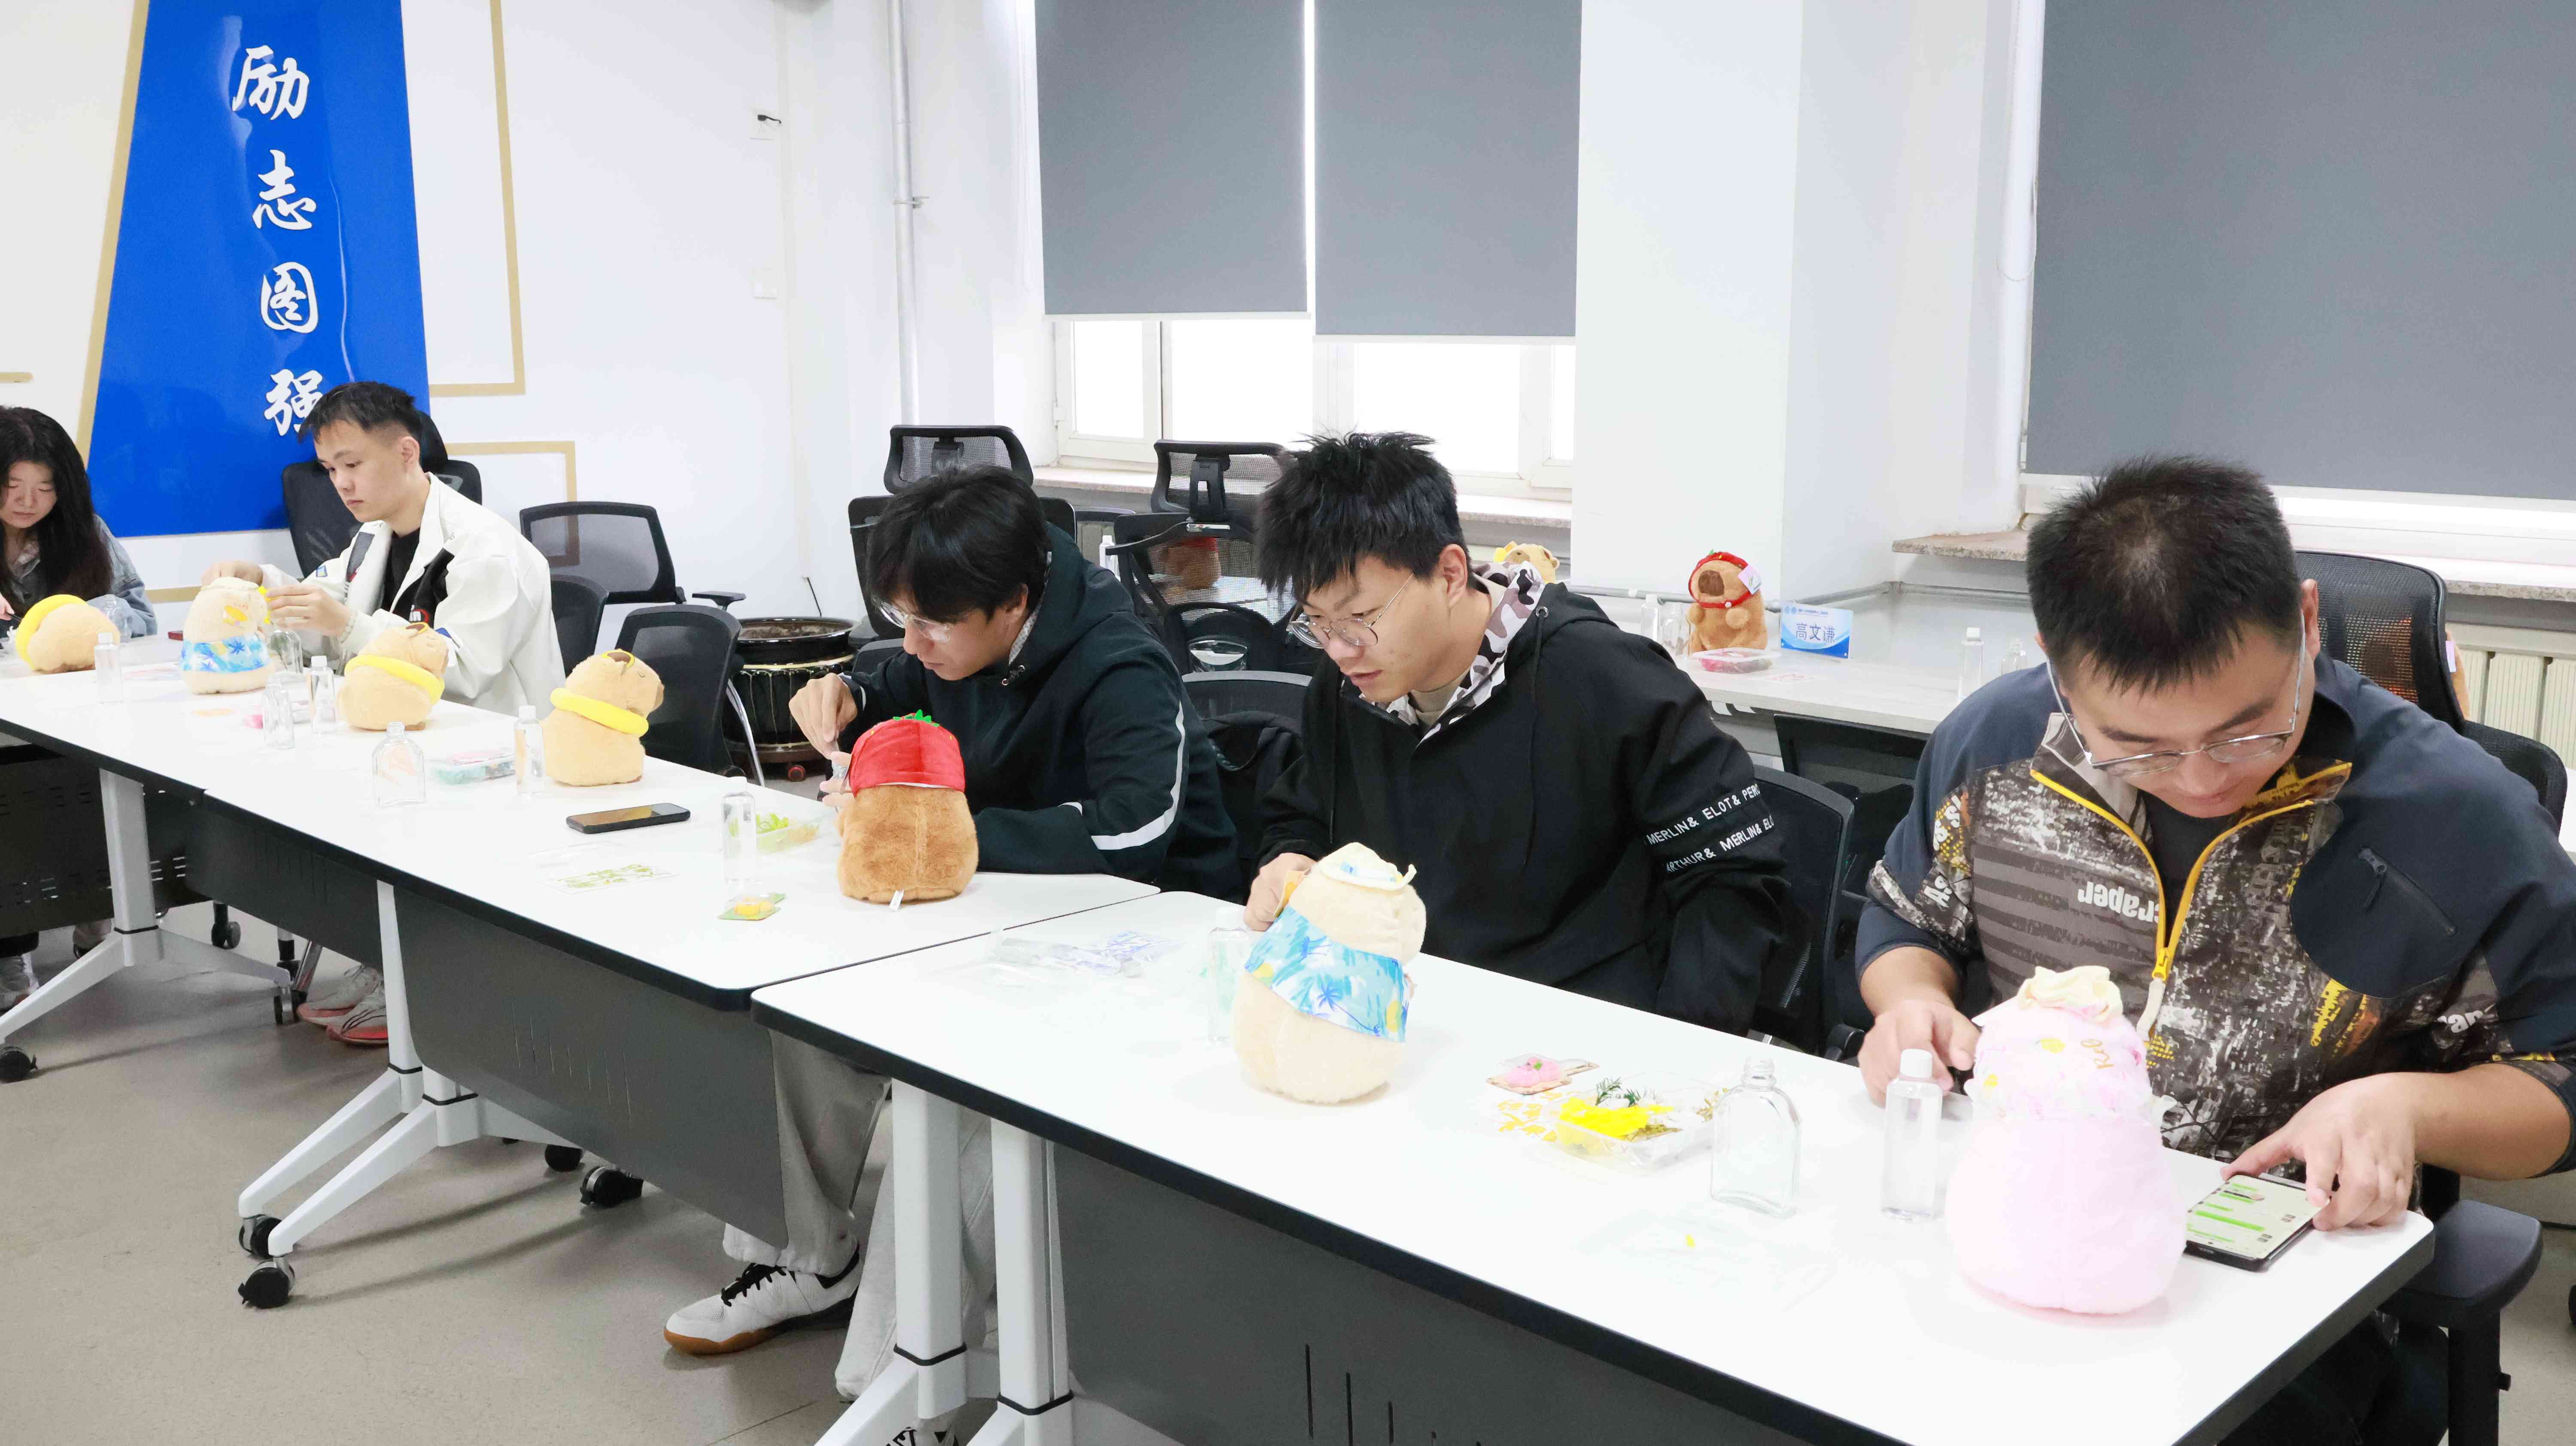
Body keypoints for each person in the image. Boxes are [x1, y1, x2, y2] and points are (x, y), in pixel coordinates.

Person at [1858, 456, 2576, 1445]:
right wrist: (1910, 1002)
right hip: (2016, 1225)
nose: (2201, 779)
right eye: (2140, 748)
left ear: (2308, 622)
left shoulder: (2457, 818)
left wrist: (2403, 1106)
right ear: (2056, 665)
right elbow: (1909, 923)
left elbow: (2564, 1077)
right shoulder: (1996, 746)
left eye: (2248, 731)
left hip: (2277, 1289)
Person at [662, 466, 1236, 1367]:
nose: (914, 640)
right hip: (1001, 911)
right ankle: (808, 1259)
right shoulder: (956, 638)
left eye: (933, 623)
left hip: (1140, 935)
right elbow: (902, 681)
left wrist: (944, 836)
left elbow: (1135, 833)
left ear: (1014, 606)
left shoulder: (1121, 666)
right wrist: (850, 693)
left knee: (958, 1088)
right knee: (798, 1016)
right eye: (900, 616)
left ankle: (903, 1373)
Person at [1246, 431, 1796, 1035]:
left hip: (1580, 1036)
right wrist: (1291, 858)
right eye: (1317, 622)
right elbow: (1305, 811)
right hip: (1408, 1020)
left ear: (1449, 574)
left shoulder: (1602, 678)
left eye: (1361, 617)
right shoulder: (1347, 684)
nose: (1340, 649)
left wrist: (1680, 1045)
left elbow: (1730, 877)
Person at [202, 381, 562, 1045]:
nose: (341, 484)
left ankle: (418, 979)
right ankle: (386, 962)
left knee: (380, 820)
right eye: (329, 469)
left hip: (489, 757)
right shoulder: (374, 538)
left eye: (352, 464)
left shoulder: (486, 551)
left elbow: (458, 673)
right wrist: (262, 582)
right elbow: (326, 601)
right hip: (413, 745)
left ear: (406, 452)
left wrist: (347, 627)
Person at [0, 406, 157, 1010]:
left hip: (77, 718)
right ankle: (12, 950)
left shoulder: (84, 531)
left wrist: (81, 617)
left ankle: (99, 906)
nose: (28, 502)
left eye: (45, 488)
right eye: (12, 485)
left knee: (93, 785)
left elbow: (141, 616)